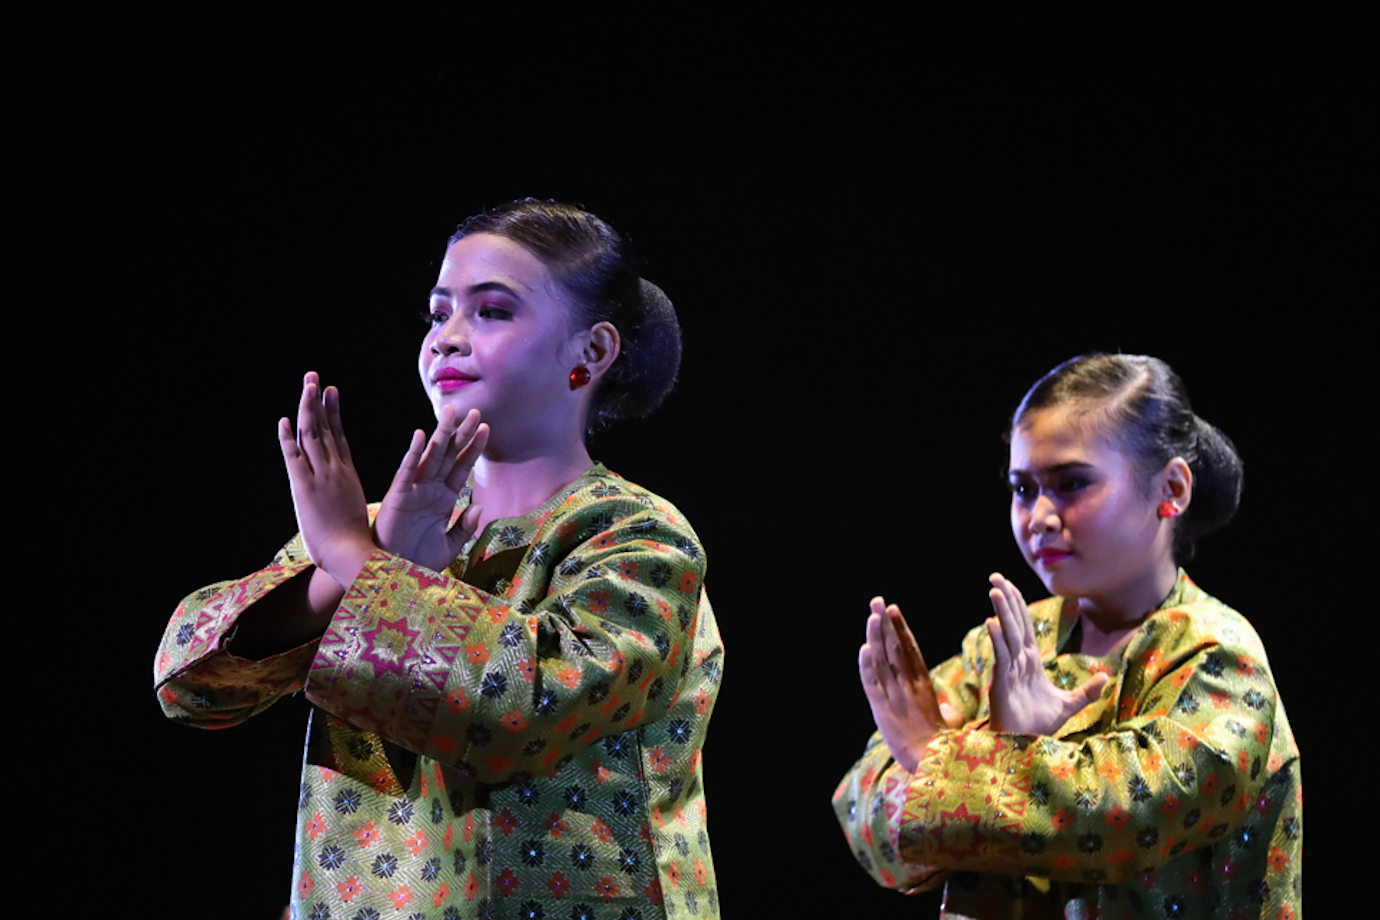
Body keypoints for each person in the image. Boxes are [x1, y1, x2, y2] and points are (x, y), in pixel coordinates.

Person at [155, 200, 723, 920]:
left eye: (492, 311)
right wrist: (355, 566)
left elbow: (522, 711)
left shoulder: (636, 536)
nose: (447, 338)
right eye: (438, 313)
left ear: (591, 351)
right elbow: (192, 687)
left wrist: (360, 564)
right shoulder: (373, 533)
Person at [833, 354, 1300, 919]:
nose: (1040, 517)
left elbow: (1117, 817)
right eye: (1022, 489)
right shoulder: (1010, 641)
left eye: (1071, 484)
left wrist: (929, 752)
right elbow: (863, 805)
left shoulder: (1217, 658)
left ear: (1171, 487)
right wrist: (990, 741)